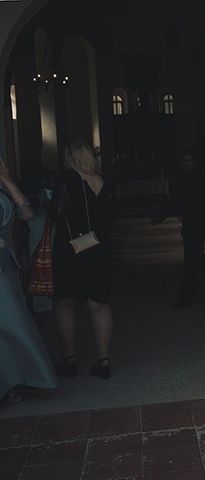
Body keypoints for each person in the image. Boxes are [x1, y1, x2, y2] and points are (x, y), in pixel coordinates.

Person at [49, 140, 114, 379]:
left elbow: (57, 211)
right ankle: (103, 360)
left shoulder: (66, 179)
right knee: (99, 304)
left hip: (72, 249)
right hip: (100, 248)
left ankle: (69, 359)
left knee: (65, 302)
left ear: (69, 158)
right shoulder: (103, 181)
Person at [0, 158, 57, 404]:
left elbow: (27, 212)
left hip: (5, 265)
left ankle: (14, 380)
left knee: (14, 323)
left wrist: (7, 180)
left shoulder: (3, 190)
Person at [152, 148, 205, 308]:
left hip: (198, 222)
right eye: (185, 161)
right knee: (194, 256)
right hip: (192, 223)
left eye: (190, 161)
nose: (187, 164)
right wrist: (162, 215)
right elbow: (175, 199)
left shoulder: (201, 179)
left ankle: (187, 296)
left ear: (196, 162)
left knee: (191, 259)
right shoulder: (186, 178)